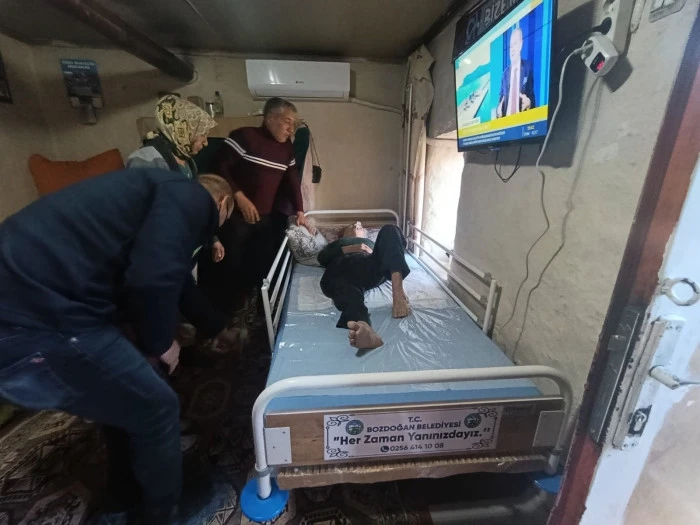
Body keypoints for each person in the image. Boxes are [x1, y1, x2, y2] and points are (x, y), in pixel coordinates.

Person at [0, 169, 234, 523]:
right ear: (223, 203)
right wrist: (161, 343)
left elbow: (174, 280)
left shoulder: (155, 194)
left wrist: (214, 326)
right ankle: (162, 514)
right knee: (156, 406)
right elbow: (152, 278)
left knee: (127, 399)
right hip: (38, 315)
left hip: (31, 304)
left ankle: (125, 495)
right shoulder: (192, 196)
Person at [198, 97, 314, 313]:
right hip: (235, 217)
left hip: (264, 217)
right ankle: (227, 312)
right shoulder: (245, 137)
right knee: (230, 265)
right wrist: (239, 196)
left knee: (260, 263)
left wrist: (300, 211)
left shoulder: (286, 148)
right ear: (270, 118)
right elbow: (218, 166)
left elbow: (291, 180)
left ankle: (253, 309)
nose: (291, 129)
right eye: (287, 122)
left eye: (294, 124)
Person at [127, 95, 226, 263]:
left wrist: (212, 239)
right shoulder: (144, 160)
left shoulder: (186, 159)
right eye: (201, 135)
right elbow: (139, 216)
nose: (205, 142)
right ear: (183, 129)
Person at [318, 223, 411, 350]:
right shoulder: (338, 243)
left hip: (368, 264)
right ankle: (363, 328)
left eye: (360, 227)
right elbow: (322, 258)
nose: (357, 225)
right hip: (340, 268)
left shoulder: (370, 242)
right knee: (347, 292)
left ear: (364, 233)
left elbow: (393, 249)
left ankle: (398, 292)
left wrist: (371, 251)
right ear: (344, 233)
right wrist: (351, 248)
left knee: (390, 229)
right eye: (352, 226)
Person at [496, 26, 536, 118]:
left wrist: (529, 103)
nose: (512, 49)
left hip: (522, 121)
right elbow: (500, 102)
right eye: (510, 46)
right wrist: (498, 111)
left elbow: (532, 98)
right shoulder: (505, 74)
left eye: (515, 44)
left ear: (521, 44)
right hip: (506, 122)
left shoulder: (528, 68)